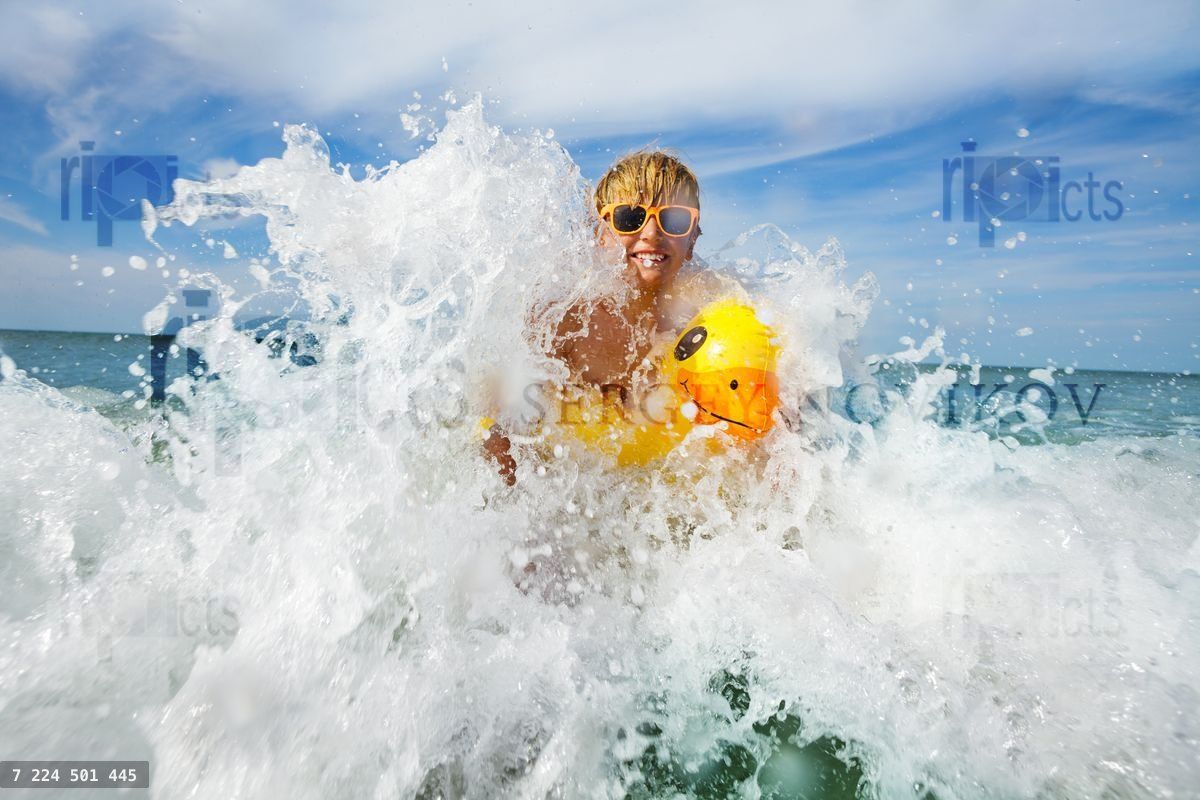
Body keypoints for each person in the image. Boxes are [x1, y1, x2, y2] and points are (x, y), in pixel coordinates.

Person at [483, 151, 736, 484]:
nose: (651, 232)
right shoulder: (565, 323)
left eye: (674, 220)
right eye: (629, 218)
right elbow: (499, 431)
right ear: (598, 234)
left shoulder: (713, 321)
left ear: (692, 239)